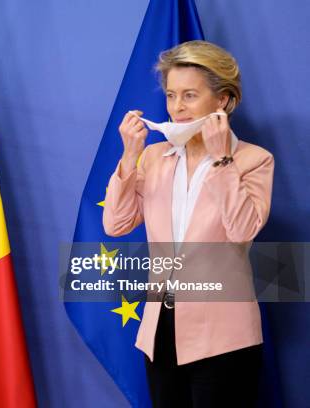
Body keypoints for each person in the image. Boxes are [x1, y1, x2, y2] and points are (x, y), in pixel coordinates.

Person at [102, 41, 274, 407]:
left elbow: (242, 231)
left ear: (223, 100)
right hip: (160, 332)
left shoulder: (254, 160)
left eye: (190, 96)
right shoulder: (153, 158)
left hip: (224, 337)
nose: (177, 108)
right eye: (170, 95)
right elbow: (115, 224)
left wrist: (222, 160)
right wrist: (129, 158)